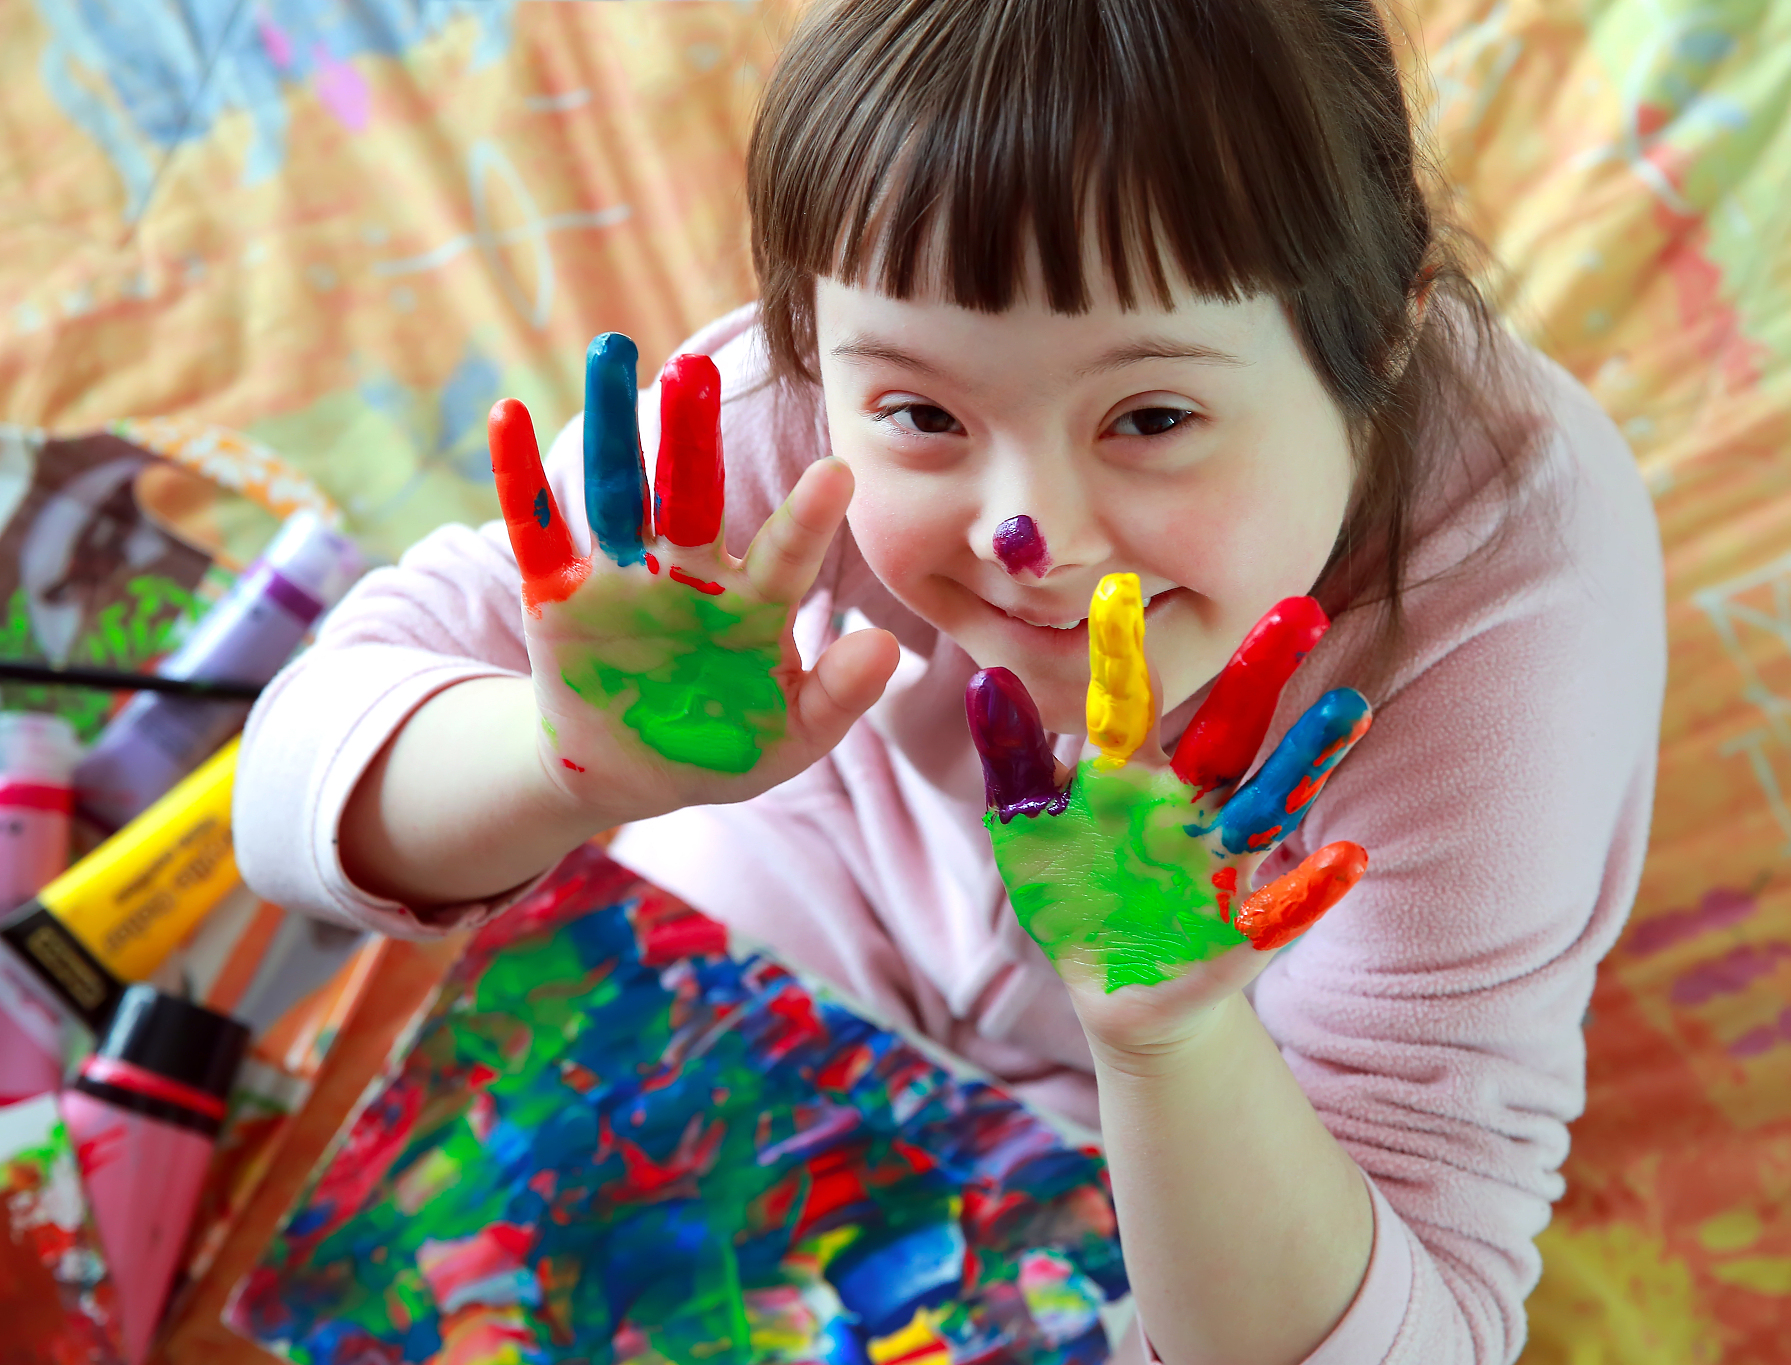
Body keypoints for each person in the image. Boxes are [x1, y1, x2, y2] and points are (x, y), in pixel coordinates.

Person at [235, 0, 1666, 1360]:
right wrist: (564, 760)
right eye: (923, 410)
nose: (1025, 535)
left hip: (1220, 1103)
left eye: (1151, 414)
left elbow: (1409, 1335)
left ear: (1385, 332)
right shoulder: (781, 426)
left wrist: (1170, 1034)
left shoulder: (1513, 606)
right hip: (804, 887)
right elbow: (287, 788)